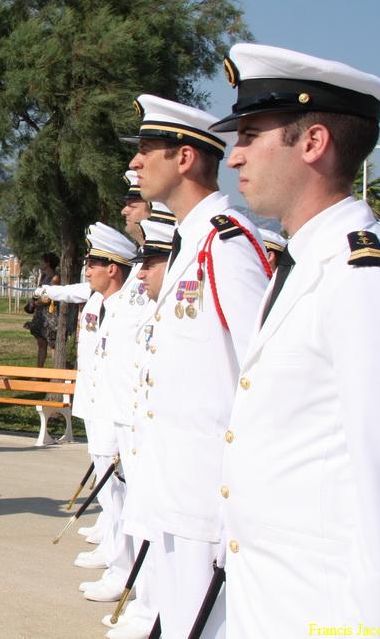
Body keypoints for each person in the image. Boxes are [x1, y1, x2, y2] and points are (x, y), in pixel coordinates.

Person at [215, 44, 380, 635]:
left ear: (313, 143)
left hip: (327, 610)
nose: (235, 158)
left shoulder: (364, 280)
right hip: (275, 598)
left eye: (251, 134)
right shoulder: (308, 263)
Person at [123, 95, 270, 638]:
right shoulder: (193, 240)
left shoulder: (225, 242)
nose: (135, 164)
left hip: (208, 491)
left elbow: (263, 370)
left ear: (184, 158)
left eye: (145, 150)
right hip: (175, 485)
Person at [105, 215, 176, 639]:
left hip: (159, 434)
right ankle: (144, 598)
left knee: (155, 524)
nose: (141, 271)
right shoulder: (145, 303)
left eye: (151, 261)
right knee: (139, 512)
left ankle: (151, 605)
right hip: (136, 421)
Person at [70, 223, 137, 607]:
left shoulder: (128, 307)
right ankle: (116, 560)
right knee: (110, 496)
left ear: (114, 267)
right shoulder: (102, 303)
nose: (87, 268)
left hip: (116, 413)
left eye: (94, 261)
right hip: (98, 406)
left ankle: (123, 569)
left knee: (119, 496)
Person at [26, 253, 60, 367]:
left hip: (51, 315)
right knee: (41, 343)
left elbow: (49, 298)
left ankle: (56, 372)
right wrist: (32, 301)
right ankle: (39, 371)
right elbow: (39, 294)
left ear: (48, 262)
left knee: (53, 344)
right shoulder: (43, 277)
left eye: (42, 261)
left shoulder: (55, 278)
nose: (40, 263)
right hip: (41, 314)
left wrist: (35, 303)